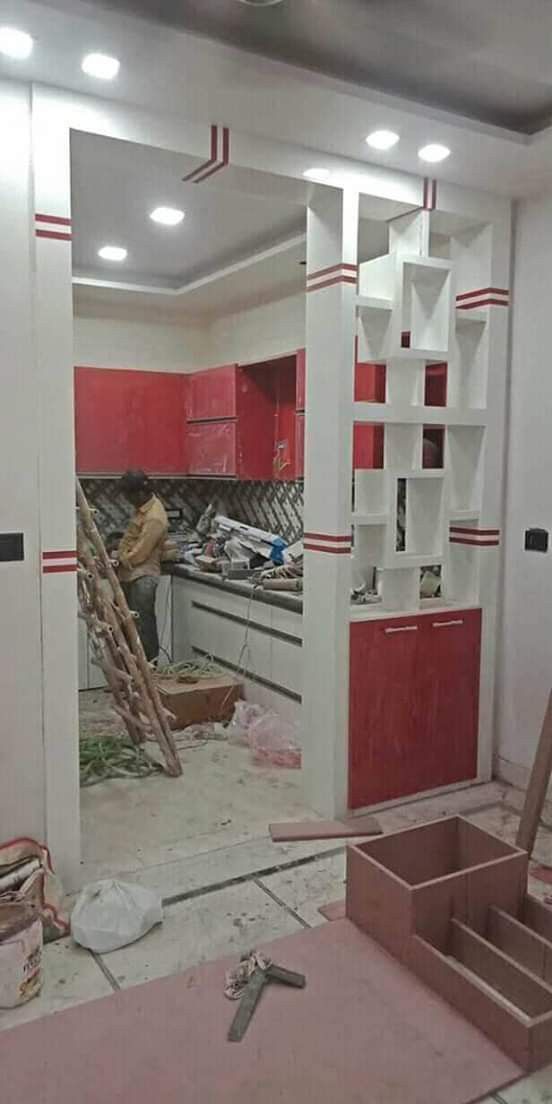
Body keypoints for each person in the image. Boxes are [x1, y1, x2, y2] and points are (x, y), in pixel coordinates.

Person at [117, 470, 168, 663]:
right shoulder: (143, 509)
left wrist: (121, 557)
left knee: (143, 625)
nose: (128, 500)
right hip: (130, 575)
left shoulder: (154, 516)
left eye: (128, 496)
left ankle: (150, 671)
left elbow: (140, 554)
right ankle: (133, 673)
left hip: (143, 577)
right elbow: (131, 538)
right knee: (129, 625)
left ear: (138, 493)